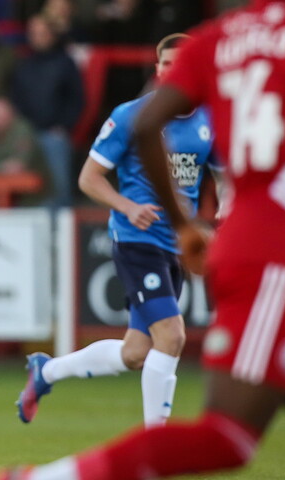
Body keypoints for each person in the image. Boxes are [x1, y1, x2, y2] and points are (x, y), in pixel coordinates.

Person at [0, 2, 285, 480]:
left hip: (253, 248)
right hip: (270, 250)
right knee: (225, 431)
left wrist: (187, 225)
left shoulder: (219, 38)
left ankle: (45, 378)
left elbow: (168, 134)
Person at [15, 34, 222, 428]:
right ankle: (155, 442)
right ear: (158, 70)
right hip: (135, 240)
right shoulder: (131, 116)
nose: (173, 70)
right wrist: (128, 206)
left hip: (176, 244)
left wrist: (224, 221)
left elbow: (226, 179)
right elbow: (89, 178)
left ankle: (47, 372)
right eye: (166, 63)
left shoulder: (209, 122)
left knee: (136, 352)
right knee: (173, 336)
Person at [9, 15, 83, 208]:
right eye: (33, 33)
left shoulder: (65, 63)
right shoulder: (24, 64)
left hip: (54, 136)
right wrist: (21, 129)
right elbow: (17, 98)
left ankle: (61, 235)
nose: (37, 37)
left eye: (42, 33)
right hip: (26, 135)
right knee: (27, 189)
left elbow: (77, 100)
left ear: (52, 35)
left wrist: (64, 126)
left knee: (59, 189)